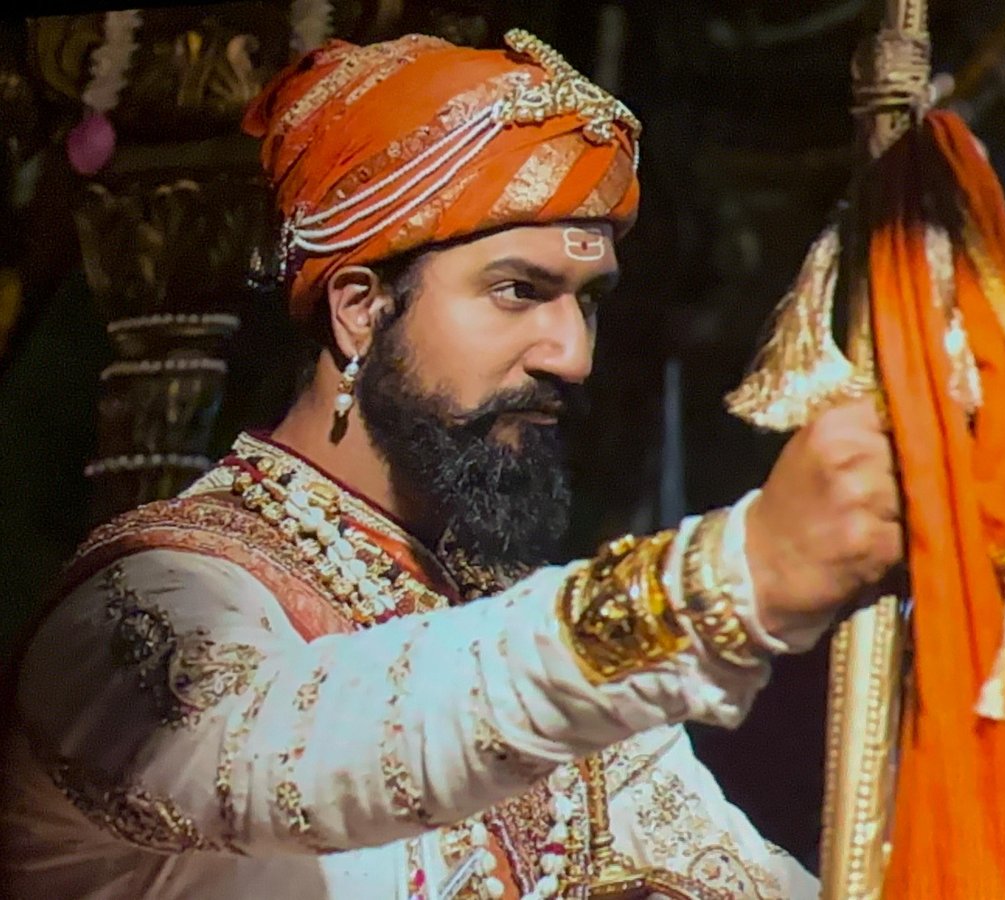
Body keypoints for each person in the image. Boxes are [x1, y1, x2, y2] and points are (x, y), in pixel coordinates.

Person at [0, 30, 903, 899]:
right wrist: (731, 577)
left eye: (588, 302)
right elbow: (331, 743)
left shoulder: (512, 639)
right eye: (518, 291)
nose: (572, 355)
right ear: (360, 309)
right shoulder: (142, 613)